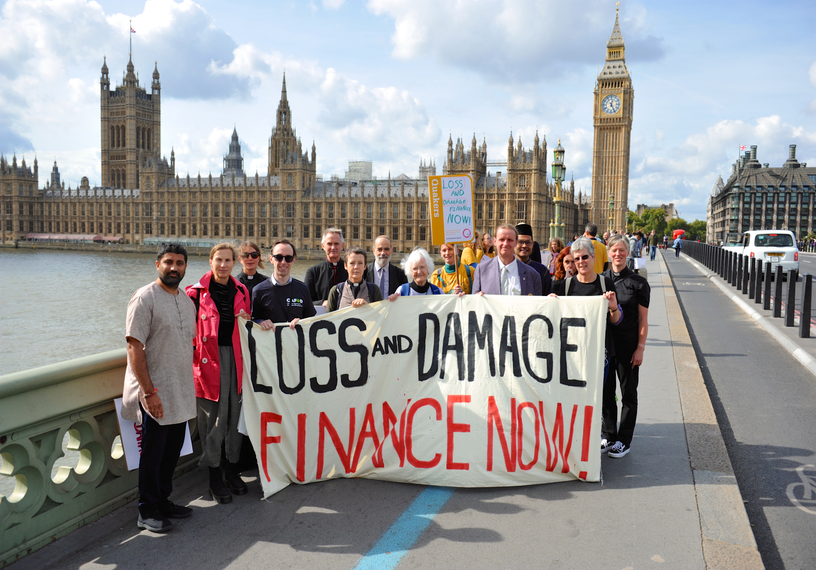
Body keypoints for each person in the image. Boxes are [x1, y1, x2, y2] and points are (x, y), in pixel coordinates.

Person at [121, 244, 197, 533]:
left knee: (171, 451)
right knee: (152, 454)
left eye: (179, 263)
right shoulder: (144, 298)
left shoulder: (186, 300)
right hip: (155, 392)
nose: (174, 268)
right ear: (157, 265)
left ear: (185, 267)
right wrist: (148, 391)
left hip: (180, 389)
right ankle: (147, 508)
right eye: (168, 262)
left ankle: (163, 500)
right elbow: (134, 346)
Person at [186, 243, 251, 504]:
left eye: (228, 260)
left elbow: (248, 327)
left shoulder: (242, 290)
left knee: (235, 417)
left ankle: (232, 469)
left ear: (234, 263)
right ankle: (214, 474)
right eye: (219, 260)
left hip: (236, 359)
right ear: (210, 261)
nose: (223, 265)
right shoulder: (194, 294)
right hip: (208, 363)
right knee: (212, 420)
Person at [549, 237, 622, 453]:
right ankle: (581, 434)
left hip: (601, 351)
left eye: (585, 257)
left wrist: (613, 307)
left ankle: (608, 436)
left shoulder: (605, 283)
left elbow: (616, 320)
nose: (581, 262)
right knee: (577, 395)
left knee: (604, 394)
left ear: (593, 257)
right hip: (574, 352)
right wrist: (550, 300)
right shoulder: (567, 285)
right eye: (577, 258)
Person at [603, 234, 650, 458]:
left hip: (628, 346)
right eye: (614, 250)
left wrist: (640, 347)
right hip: (605, 346)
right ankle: (609, 434)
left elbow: (643, 320)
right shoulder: (601, 279)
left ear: (628, 252)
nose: (618, 254)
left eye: (622, 250)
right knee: (606, 392)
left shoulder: (639, 283)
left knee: (627, 394)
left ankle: (624, 440)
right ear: (608, 252)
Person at [252, 239, 316, 330]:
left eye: (288, 258)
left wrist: (302, 322)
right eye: (279, 257)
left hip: (295, 343)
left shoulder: (303, 289)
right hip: (270, 343)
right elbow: (252, 320)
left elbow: (312, 320)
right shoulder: (258, 290)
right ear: (271, 259)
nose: (283, 262)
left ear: (293, 260)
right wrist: (261, 322)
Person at [472, 224, 542, 296]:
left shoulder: (533, 275)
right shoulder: (482, 270)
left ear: (516, 242)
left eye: (510, 240)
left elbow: (538, 305)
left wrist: (551, 300)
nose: (505, 244)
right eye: (502, 239)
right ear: (495, 241)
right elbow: (474, 303)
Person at [326, 247, 383, 311]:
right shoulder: (336, 291)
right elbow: (329, 318)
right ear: (345, 266)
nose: (356, 267)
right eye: (352, 263)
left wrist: (367, 307)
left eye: (360, 263)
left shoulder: (374, 290)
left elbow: (381, 316)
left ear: (365, 266)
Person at [305, 228, 348, 307]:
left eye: (336, 244)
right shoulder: (313, 272)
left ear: (342, 245)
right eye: (329, 244)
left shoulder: (350, 270)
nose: (333, 247)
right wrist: (322, 302)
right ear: (323, 246)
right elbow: (305, 301)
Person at [515, 223, 552, 295]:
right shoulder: (507, 268)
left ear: (532, 244)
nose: (524, 245)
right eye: (520, 242)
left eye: (528, 242)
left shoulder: (542, 271)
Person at [236, 241, 268, 306]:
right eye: (245, 255)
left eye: (254, 255)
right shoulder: (233, 283)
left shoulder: (267, 283)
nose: (250, 258)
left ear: (259, 258)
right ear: (240, 259)